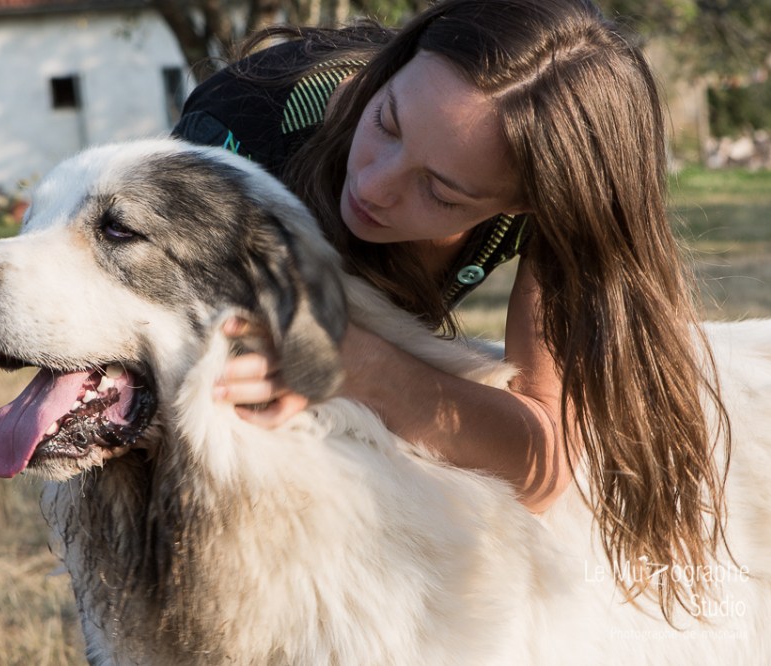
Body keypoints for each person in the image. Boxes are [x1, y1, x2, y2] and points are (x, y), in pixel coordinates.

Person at [172, 0, 730, 621]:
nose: (374, 185)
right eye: (386, 123)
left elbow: (539, 466)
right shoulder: (242, 132)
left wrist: (355, 363)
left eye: (441, 191)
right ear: (392, 67)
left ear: (525, 206)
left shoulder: (555, 208)